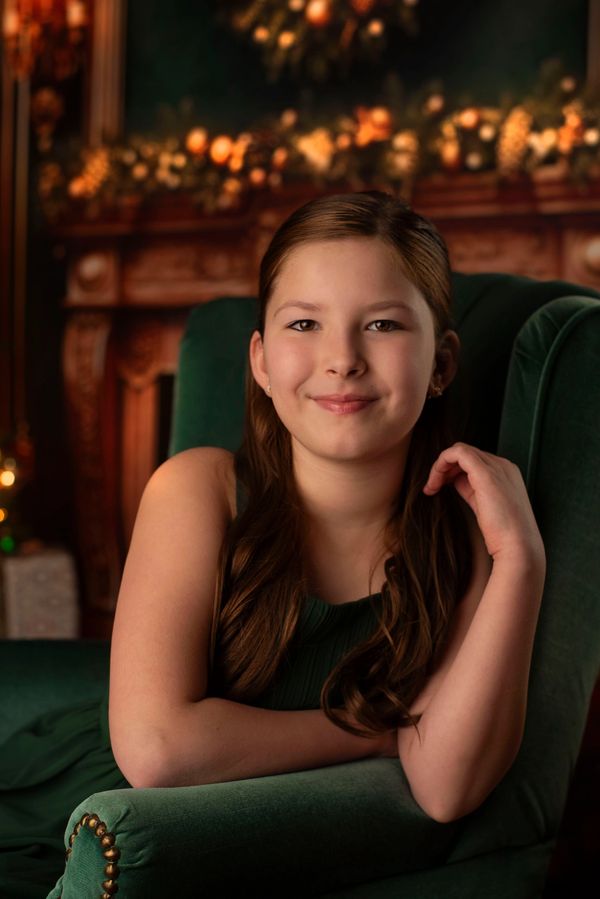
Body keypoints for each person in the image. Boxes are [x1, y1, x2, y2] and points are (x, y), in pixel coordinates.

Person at [0, 190, 546, 898]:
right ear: (260, 360)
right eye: (304, 323)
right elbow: (158, 751)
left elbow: (445, 787)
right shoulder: (196, 490)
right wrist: (381, 734)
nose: (341, 359)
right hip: (69, 820)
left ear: (441, 364)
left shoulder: (466, 539)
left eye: (381, 323)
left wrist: (521, 562)